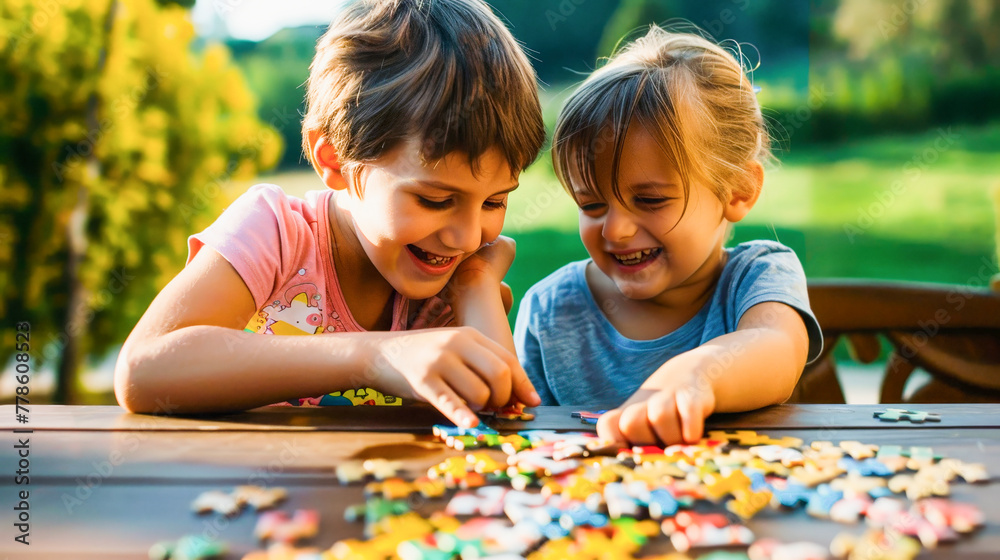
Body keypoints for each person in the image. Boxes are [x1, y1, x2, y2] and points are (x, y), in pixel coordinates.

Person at [115, 0, 545, 428]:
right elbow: (144, 372)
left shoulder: (454, 276)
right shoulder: (276, 232)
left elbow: (503, 415)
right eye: (434, 200)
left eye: (494, 202)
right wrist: (371, 356)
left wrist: (475, 288)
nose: (468, 238)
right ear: (336, 160)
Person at [514, 27, 823, 445]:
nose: (615, 230)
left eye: (650, 200)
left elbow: (777, 348)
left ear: (738, 190)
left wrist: (695, 375)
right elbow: (524, 444)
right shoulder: (551, 312)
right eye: (591, 205)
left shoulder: (758, 276)